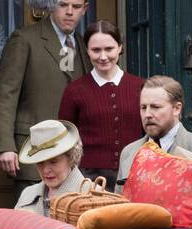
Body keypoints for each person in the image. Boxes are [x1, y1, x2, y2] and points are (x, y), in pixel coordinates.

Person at [0, 0, 92, 199]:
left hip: (72, 158)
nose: (69, 12)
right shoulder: (25, 39)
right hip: (33, 152)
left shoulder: (86, 47)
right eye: (63, 4)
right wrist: (5, 146)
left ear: (84, 9)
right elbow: (5, 94)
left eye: (76, 6)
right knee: (32, 223)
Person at [57, 21, 144, 190]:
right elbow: (64, 137)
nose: (103, 56)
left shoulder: (140, 87)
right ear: (87, 51)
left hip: (135, 173)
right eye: (96, 50)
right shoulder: (75, 91)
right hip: (88, 179)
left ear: (119, 47)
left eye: (109, 49)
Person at [115, 75, 192, 189]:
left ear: (177, 108)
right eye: (143, 107)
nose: (147, 114)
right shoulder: (129, 152)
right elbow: (120, 204)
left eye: (155, 107)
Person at [12, 119, 86, 218]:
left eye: (53, 162)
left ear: (71, 157)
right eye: (40, 162)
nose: (46, 170)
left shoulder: (92, 196)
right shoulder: (27, 194)